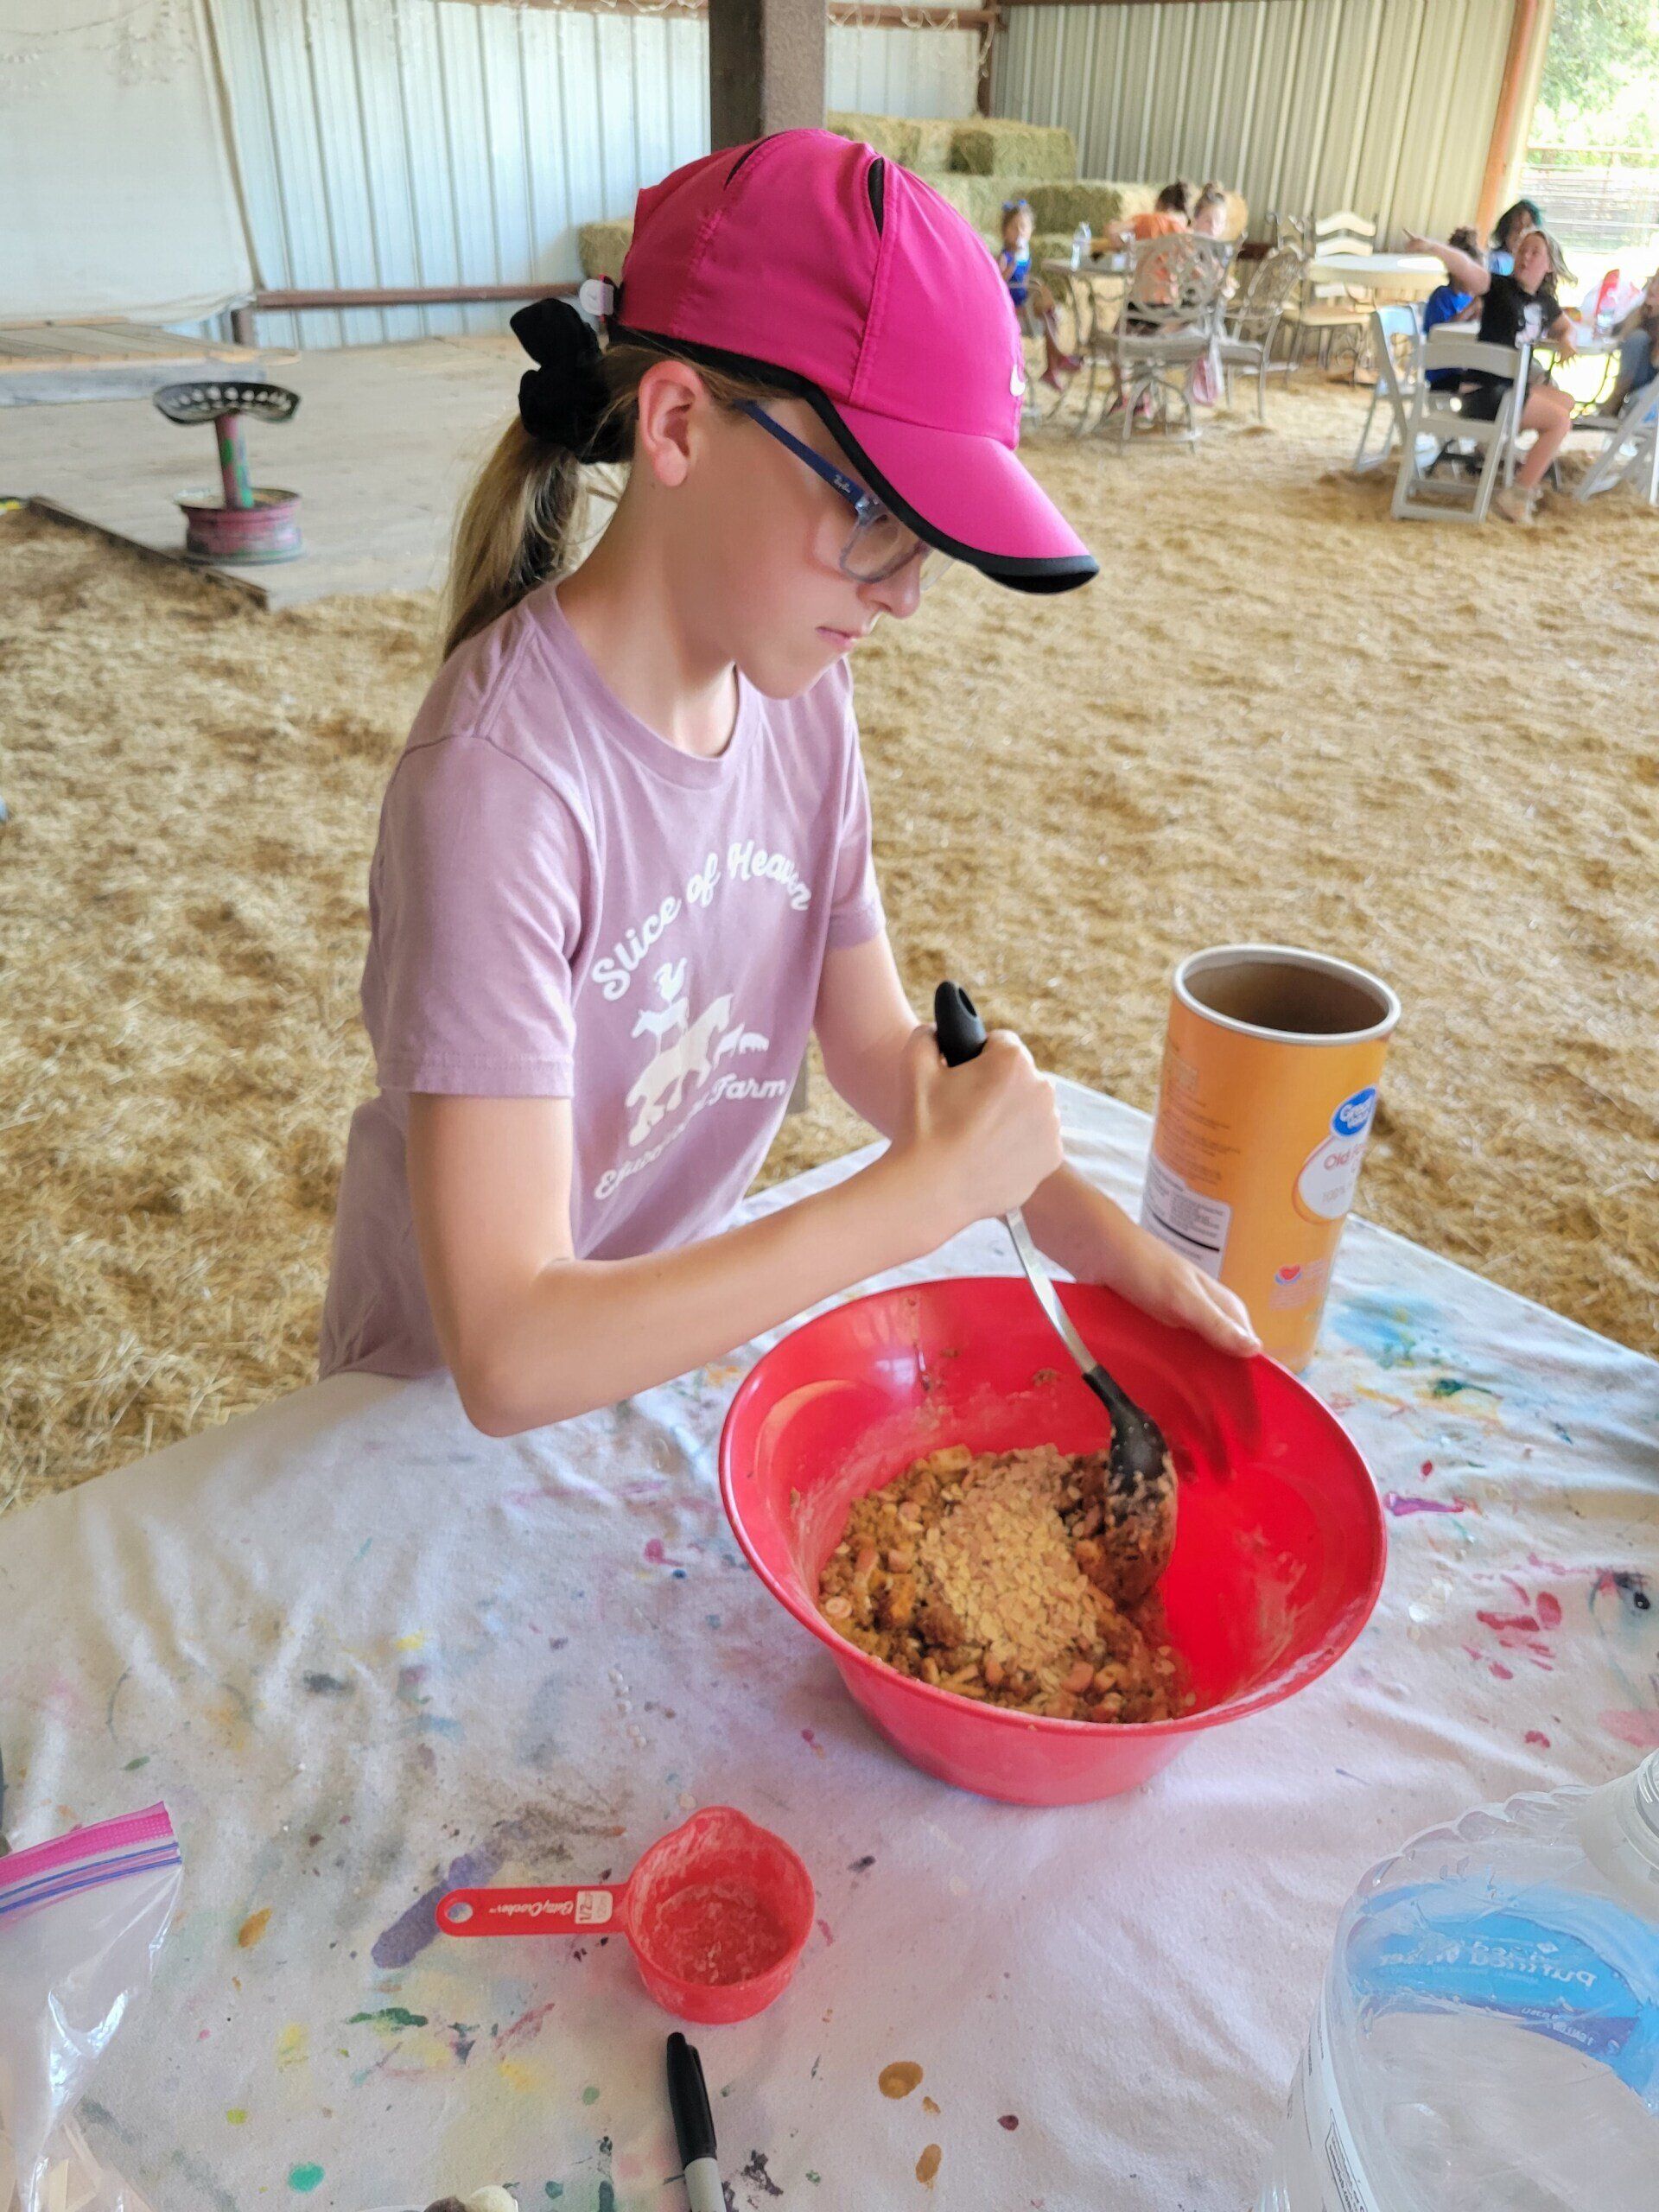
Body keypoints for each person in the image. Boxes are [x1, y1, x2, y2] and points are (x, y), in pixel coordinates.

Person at [318, 130, 1261, 1431]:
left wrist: (1087, 1228)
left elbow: (873, 1043)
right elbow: (512, 1350)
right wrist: (921, 1197)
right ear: (679, 425)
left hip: (664, 1341)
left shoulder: (800, 696)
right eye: (874, 514)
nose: (905, 597)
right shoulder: (499, 785)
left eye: (929, 543)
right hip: (421, 1430)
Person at [1405, 224, 1576, 524]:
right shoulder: (1498, 287)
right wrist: (1433, 247)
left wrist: (1567, 340)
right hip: (1484, 396)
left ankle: (1516, 461)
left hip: (1510, 393)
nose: (1525, 257)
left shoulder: (1544, 303)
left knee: (1565, 402)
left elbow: (1567, 327)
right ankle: (1518, 494)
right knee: (1560, 422)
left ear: (1549, 265)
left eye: (1535, 252)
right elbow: (1466, 267)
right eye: (1522, 250)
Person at [997, 198, 1079, 391]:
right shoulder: (1005, 256)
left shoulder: (1026, 255)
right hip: (1012, 306)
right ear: (1005, 232)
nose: (1019, 231)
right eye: (1014, 227)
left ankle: (1052, 369)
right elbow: (998, 282)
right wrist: (1011, 265)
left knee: (1049, 313)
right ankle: (1057, 358)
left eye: (1023, 227)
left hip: (1025, 302)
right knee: (1044, 304)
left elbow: (1025, 281)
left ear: (1031, 231)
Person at [1422, 226, 1484, 391]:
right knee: (1480, 386)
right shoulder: (1442, 296)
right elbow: (1440, 334)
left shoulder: (1467, 299)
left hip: (1461, 366)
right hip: (1441, 373)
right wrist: (1470, 309)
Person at [1605, 268, 1659, 416]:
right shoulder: (1642, 312)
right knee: (1636, 338)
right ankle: (1615, 402)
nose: (1653, 288)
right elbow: (1613, 330)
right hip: (1639, 381)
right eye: (1653, 281)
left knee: (1637, 338)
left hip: (1653, 386)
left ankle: (1615, 402)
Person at [1106, 181, 1192, 250]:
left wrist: (1125, 246)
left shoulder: (1146, 219)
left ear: (1159, 203)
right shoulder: (1189, 230)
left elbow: (1112, 230)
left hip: (1146, 267)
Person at [1486, 198, 1542, 276]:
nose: (1521, 235)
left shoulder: (1534, 268)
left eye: (1527, 230)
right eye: (1516, 228)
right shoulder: (1496, 262)